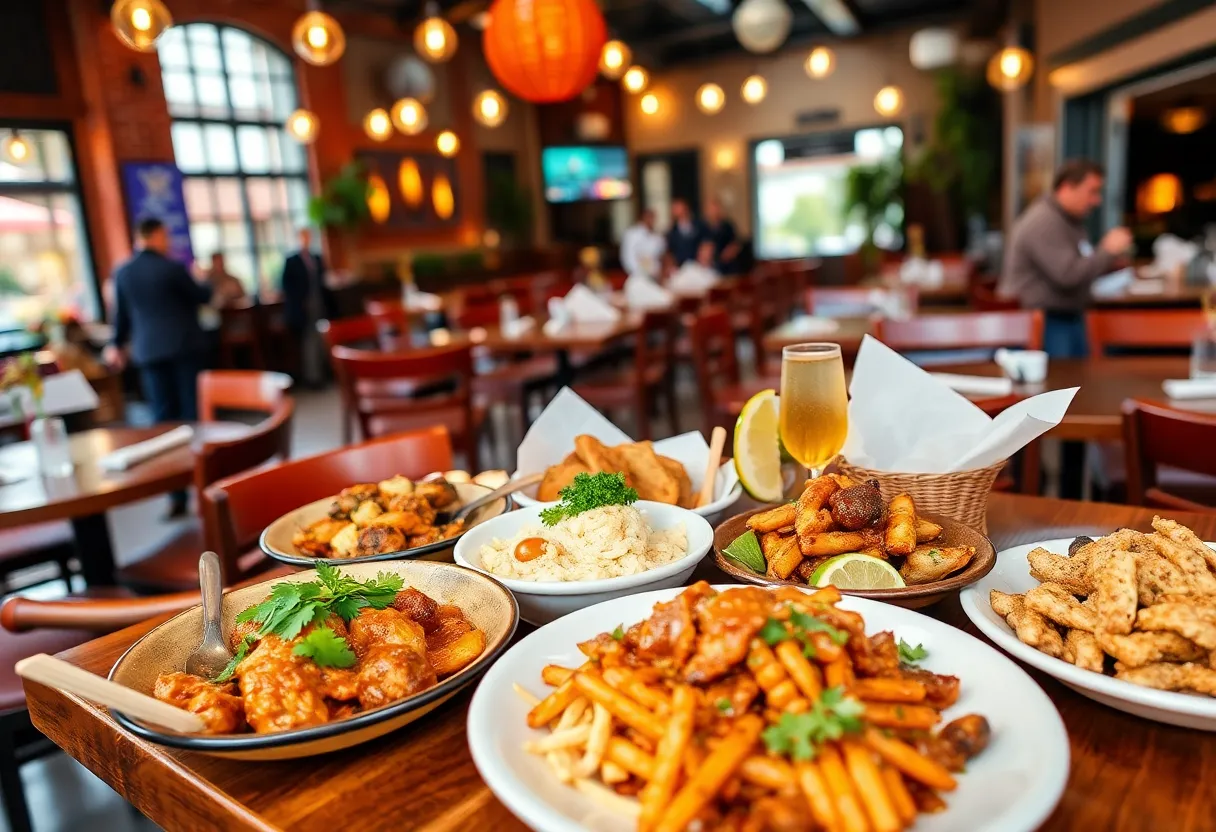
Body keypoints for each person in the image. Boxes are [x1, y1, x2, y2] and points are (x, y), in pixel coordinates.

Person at [104, 217, 212, 516]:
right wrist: (201, 278)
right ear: (156, 235)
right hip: (184, 348)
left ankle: (175, 495)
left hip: (149, 352)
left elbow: (121, 317)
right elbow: (202, 297)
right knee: (191, 419)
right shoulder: (172, 268)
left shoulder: (123, 272)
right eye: (165, 235)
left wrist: (116, 344)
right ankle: (203, 487)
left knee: (163, 423)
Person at [1000, 159, 1133, 358]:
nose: (1097, 201)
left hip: (1063, 317)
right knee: (1080, 370)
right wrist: (1107, 251)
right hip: (1043, 323)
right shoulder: (1045, 222)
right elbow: (1069, 276)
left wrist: (1109, 264)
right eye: (1092, 192)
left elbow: (1080, 264)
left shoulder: (1068, 220)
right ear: (1067, 188)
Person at [280, 227, 337, 387]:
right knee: (309, 340)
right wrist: (299, 303)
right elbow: (287, 287)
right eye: (303, 237)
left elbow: (323, 281)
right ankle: (313, 376)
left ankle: (325, 372)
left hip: (319, 303)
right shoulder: (292, 261)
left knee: (322, 338)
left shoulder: (317, 258)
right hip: (303, 307)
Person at [620, 208, 665, 279]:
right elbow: (628, 258)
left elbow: (660, 257)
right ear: (643, 218)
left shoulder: (658, 237)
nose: (651, 220)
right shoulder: (632, 234)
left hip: (655, 276)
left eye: (652, 218)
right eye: (648, 217)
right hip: (637, 276)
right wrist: (640, 273)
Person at [665, 198, 708, 271]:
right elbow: (671, 251)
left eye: (678, 207)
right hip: (682, 268)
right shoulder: (672, 232)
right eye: (674, 208)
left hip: (699, 266)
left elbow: (705, 243)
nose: (675, 210)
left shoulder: (699, 225)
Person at [705, 198, 742, 275]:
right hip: (712, 267)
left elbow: (736, 244)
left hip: (729, 266)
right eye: (711, 209)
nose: (714, 211)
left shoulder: (728, 226)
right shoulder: (705, 228)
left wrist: (727, 254)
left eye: (716, 208)